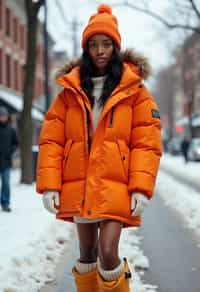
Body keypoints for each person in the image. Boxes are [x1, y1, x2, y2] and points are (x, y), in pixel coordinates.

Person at [36, 4, 162, 292]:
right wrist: (50, 185)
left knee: (108, 253)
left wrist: (140, 187)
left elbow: (146, 142)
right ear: (86, 49)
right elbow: (52, 141)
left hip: (115, 185)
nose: (100, 50)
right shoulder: (70, 91)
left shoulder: (134, 91)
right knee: (87, 255)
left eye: (106, 44)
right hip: (80, 185)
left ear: (116, 47)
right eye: (93, 45)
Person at [0, 106, 18, 212]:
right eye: (1, 116)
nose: (3, 117)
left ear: (7, 117)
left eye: (4, 116)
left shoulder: (11, 129)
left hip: (6, 161)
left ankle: (5, 203)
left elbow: (16, 143)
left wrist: (10, 151)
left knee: (6, 183)